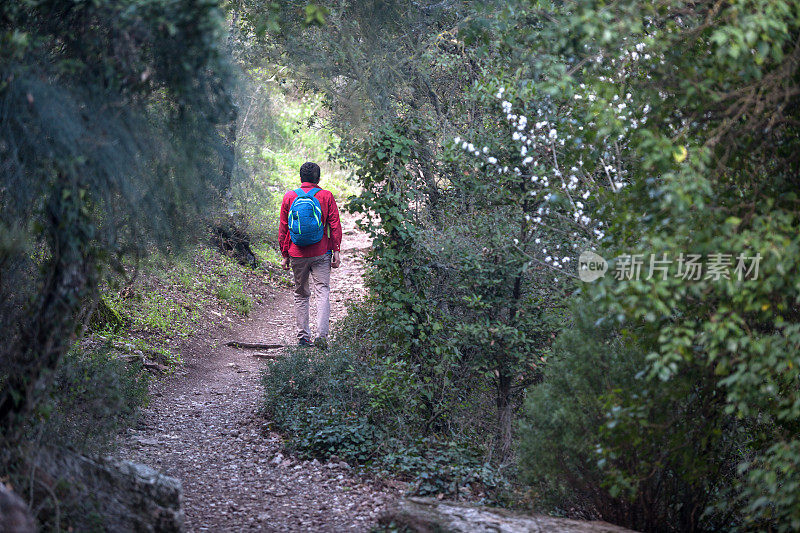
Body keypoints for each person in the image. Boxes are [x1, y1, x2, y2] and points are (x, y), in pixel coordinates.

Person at [278, 162, 342, 347]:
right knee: (322, 292)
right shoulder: (326, 196)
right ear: (318, 179)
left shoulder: (289, 197)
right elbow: (334, 224)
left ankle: (303, 338)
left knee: (301, 294)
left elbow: (284, 227)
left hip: (297, 253)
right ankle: (322, 338)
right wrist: (336, 250)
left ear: (300, 179)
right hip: (321, 252)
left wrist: (285, 254)